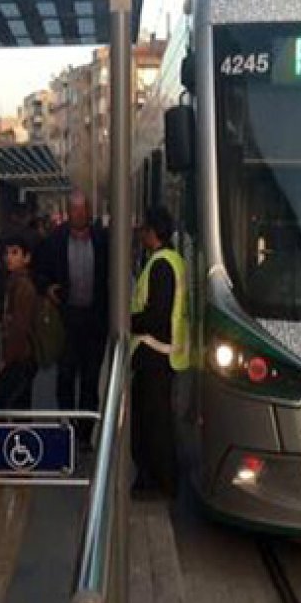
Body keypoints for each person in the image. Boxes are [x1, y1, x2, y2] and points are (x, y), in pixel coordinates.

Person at [34, 190, 109, 446]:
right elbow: (39, 271)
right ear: (68, 212)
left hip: (94, 321)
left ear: (88, 211)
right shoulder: (55, 241)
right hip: (66, 320)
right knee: (65, 375)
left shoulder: (102, 240)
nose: (79, 214)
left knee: (90, 379)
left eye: (82, 209)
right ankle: (66, 428)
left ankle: (85, 434)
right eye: (74, 209)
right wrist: (47, 288)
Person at [129, 207, 190, 498]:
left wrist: (128, 320)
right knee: (156, 419)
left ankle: (159, 481)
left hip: (154, 353)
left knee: (154, 421)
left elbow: (156, 316)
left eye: (144, 229)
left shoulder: (161, 265)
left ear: (153, 232)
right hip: (163, 352)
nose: (141, 234)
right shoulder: (173, 260)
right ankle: (159, 478)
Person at [0, 233, 39, 410]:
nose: (9, 258)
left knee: (9, 404)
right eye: (7, 253)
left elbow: (19, 326)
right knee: (18, 405)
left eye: (15, 253)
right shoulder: (12, 283)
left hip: (19, 358)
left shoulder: (23, 287)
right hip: (19, 357)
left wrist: (6, 358)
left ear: (26, 258)